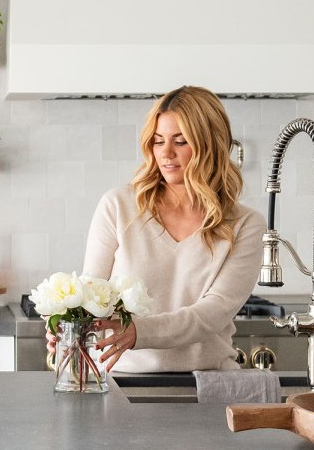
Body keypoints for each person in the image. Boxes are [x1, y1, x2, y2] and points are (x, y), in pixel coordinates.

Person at [76, 85, 266, 374]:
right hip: (122, 384)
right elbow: (91, 295)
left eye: (180, 142)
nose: (165, 153)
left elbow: (212, 314)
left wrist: (140, 331)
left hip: (208, 388)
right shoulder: (118, 206)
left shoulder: (244, 225)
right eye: (158, 140)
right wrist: (68, 325)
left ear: (210, 145)